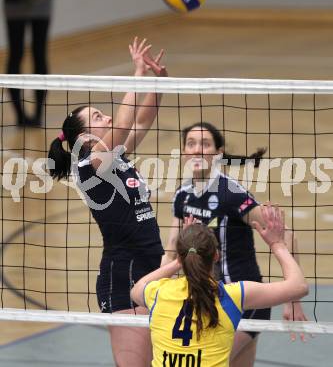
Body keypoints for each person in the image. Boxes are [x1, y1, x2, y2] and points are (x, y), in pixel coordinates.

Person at [48, 37, 167, 367]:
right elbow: (127, 120)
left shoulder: (115, 156)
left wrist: (159, 82)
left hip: (154, 268)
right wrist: (137, 74)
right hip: (125, 274)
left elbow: (140, 121)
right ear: (84, 138)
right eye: (98, 117)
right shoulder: (91, 164)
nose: (107, 118)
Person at [161, 122, 308, 367]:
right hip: (206, 299)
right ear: (184, 152)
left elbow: (287, 236)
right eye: (191, 143)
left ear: (218, 153)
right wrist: (159, 293)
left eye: (205, 144)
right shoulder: (182, 194)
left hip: (242, 300)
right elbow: (171, 251)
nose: (197, 150)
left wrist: (292, 299)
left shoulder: (231, 194)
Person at [131, 204, 309, 367]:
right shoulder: (232, 295)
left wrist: (178, 261)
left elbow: (137, 289)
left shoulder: (159, 292)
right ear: (216, 256)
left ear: (182, 255)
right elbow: (298, 286)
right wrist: (278, 245)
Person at [3, 0, 52, 126]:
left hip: (41, 0)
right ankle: (20, 115)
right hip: (15, 1)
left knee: (40, 54)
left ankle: (38, 114)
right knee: (16, 54)